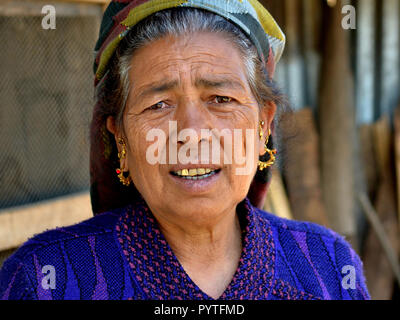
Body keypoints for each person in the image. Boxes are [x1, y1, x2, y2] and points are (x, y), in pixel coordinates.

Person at [0, 0, 369, 300]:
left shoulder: (328, 268)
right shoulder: (47, 280)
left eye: (221, 98)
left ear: (263, 127)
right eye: (158, 104)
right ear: (120, 141)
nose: (192, 132)